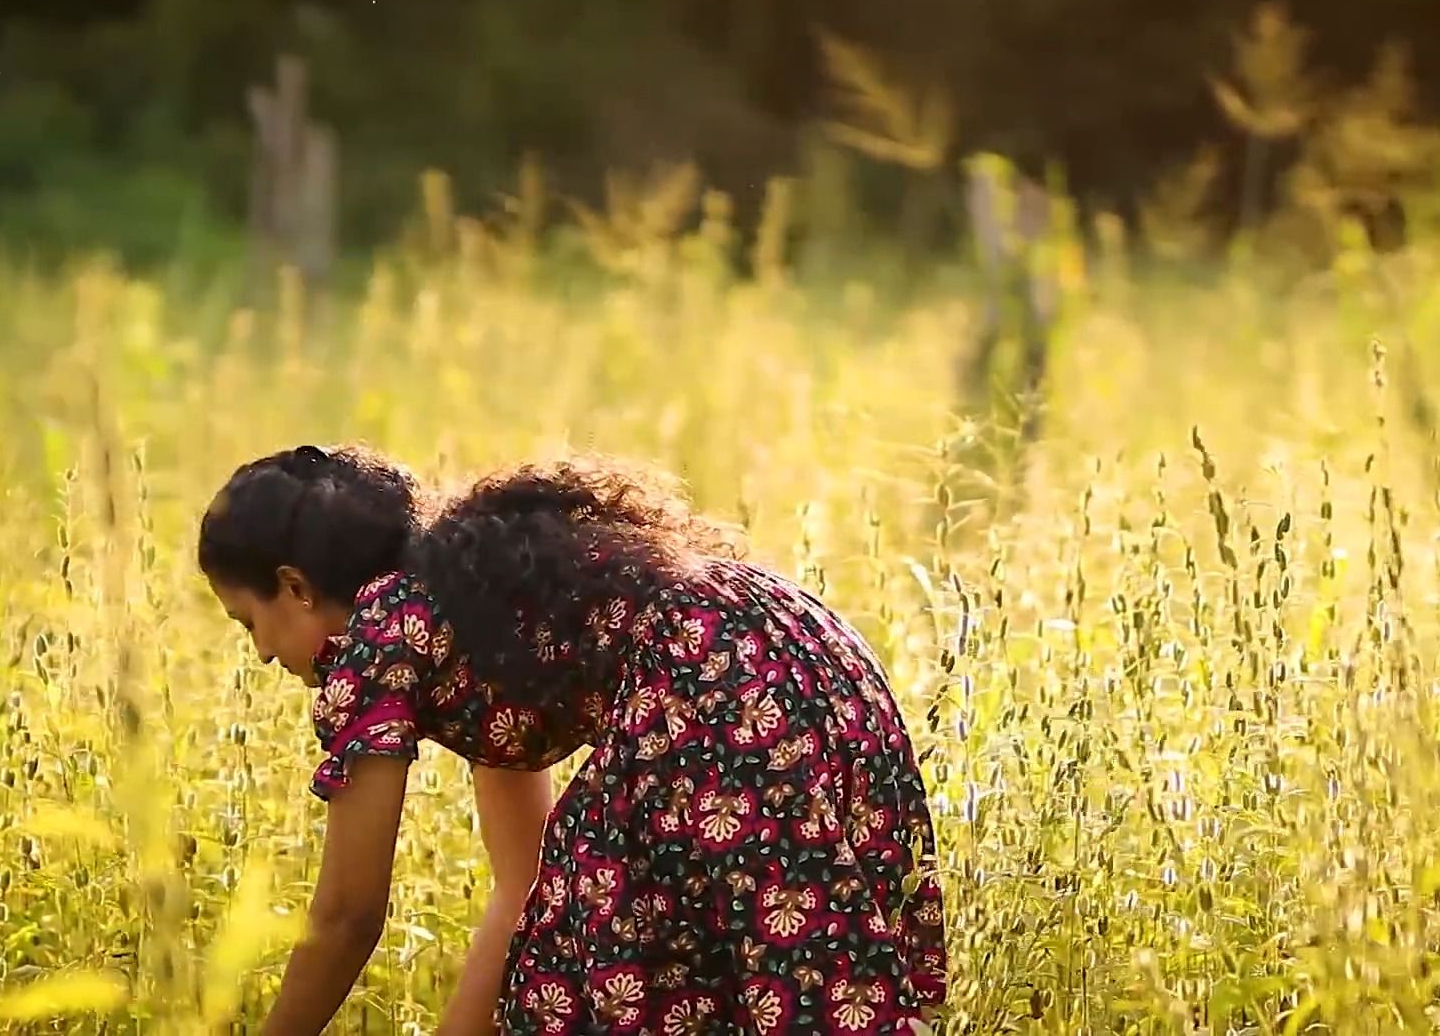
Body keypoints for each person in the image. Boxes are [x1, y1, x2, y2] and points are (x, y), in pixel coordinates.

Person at [197, 443, 947, 1035]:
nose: (262, 653)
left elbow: (348, 914)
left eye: (249, 623)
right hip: (799, 648)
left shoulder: (376, 638)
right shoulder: (473, 595)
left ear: (295, 586)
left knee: (602, 970)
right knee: (798, 969)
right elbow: (519, 884)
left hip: (717, 693)